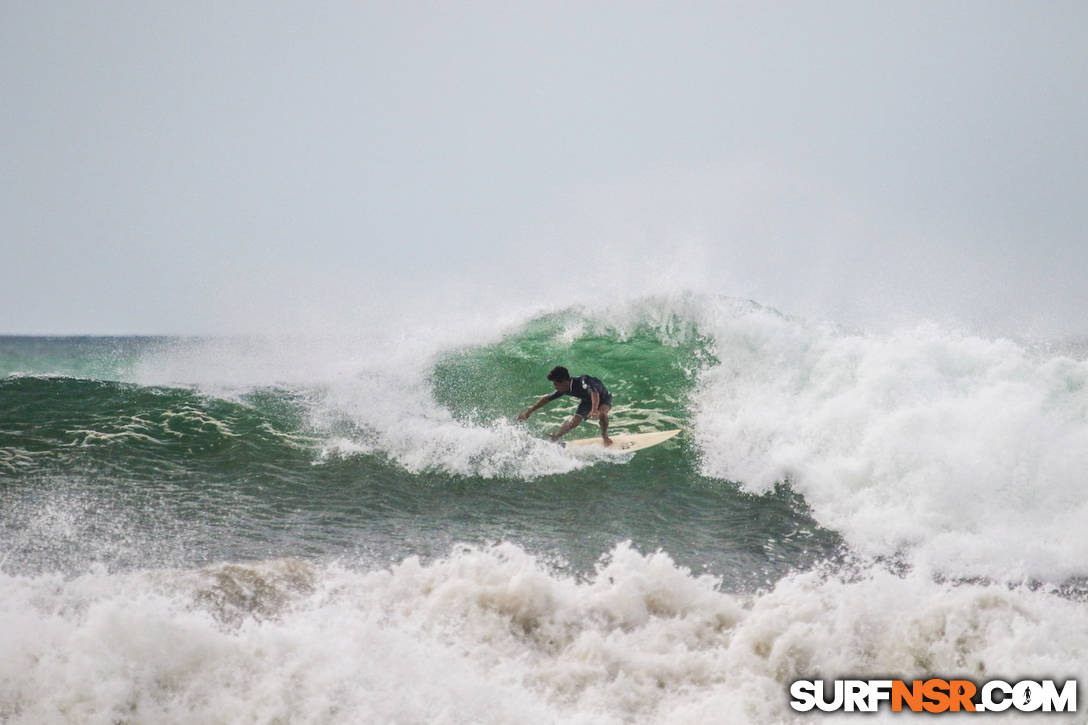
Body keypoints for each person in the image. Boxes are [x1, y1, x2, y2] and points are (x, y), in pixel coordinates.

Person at [517, 366, 613, 446]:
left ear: (563, 381)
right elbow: (547, 398)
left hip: (604, 398)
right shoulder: (566, 388)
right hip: (587, 401)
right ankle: (556, 437)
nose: (555, 387)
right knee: (573, 423)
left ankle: (605, 436)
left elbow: (594, 392)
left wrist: (594, 409)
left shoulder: (583, 381)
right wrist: (529, 411)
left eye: (556, 384)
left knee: (602, 414)